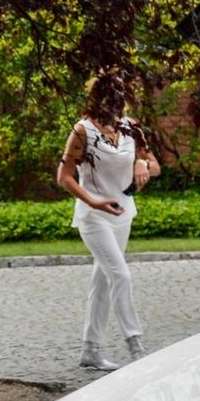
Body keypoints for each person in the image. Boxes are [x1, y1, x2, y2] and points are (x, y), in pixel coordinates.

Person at [59, 71, 159, 370]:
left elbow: (155, 167)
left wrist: (142, 162)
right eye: (111, 92)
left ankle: (90, 350)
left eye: (121, 92)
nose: (117, 98)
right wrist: (92, 201)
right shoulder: (83, 131)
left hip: (123, 213)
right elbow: (63, 177)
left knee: (102, 282)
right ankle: (135, 344)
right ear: (98, 95)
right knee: (121, 275)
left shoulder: (131, 129)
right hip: (94, 217)